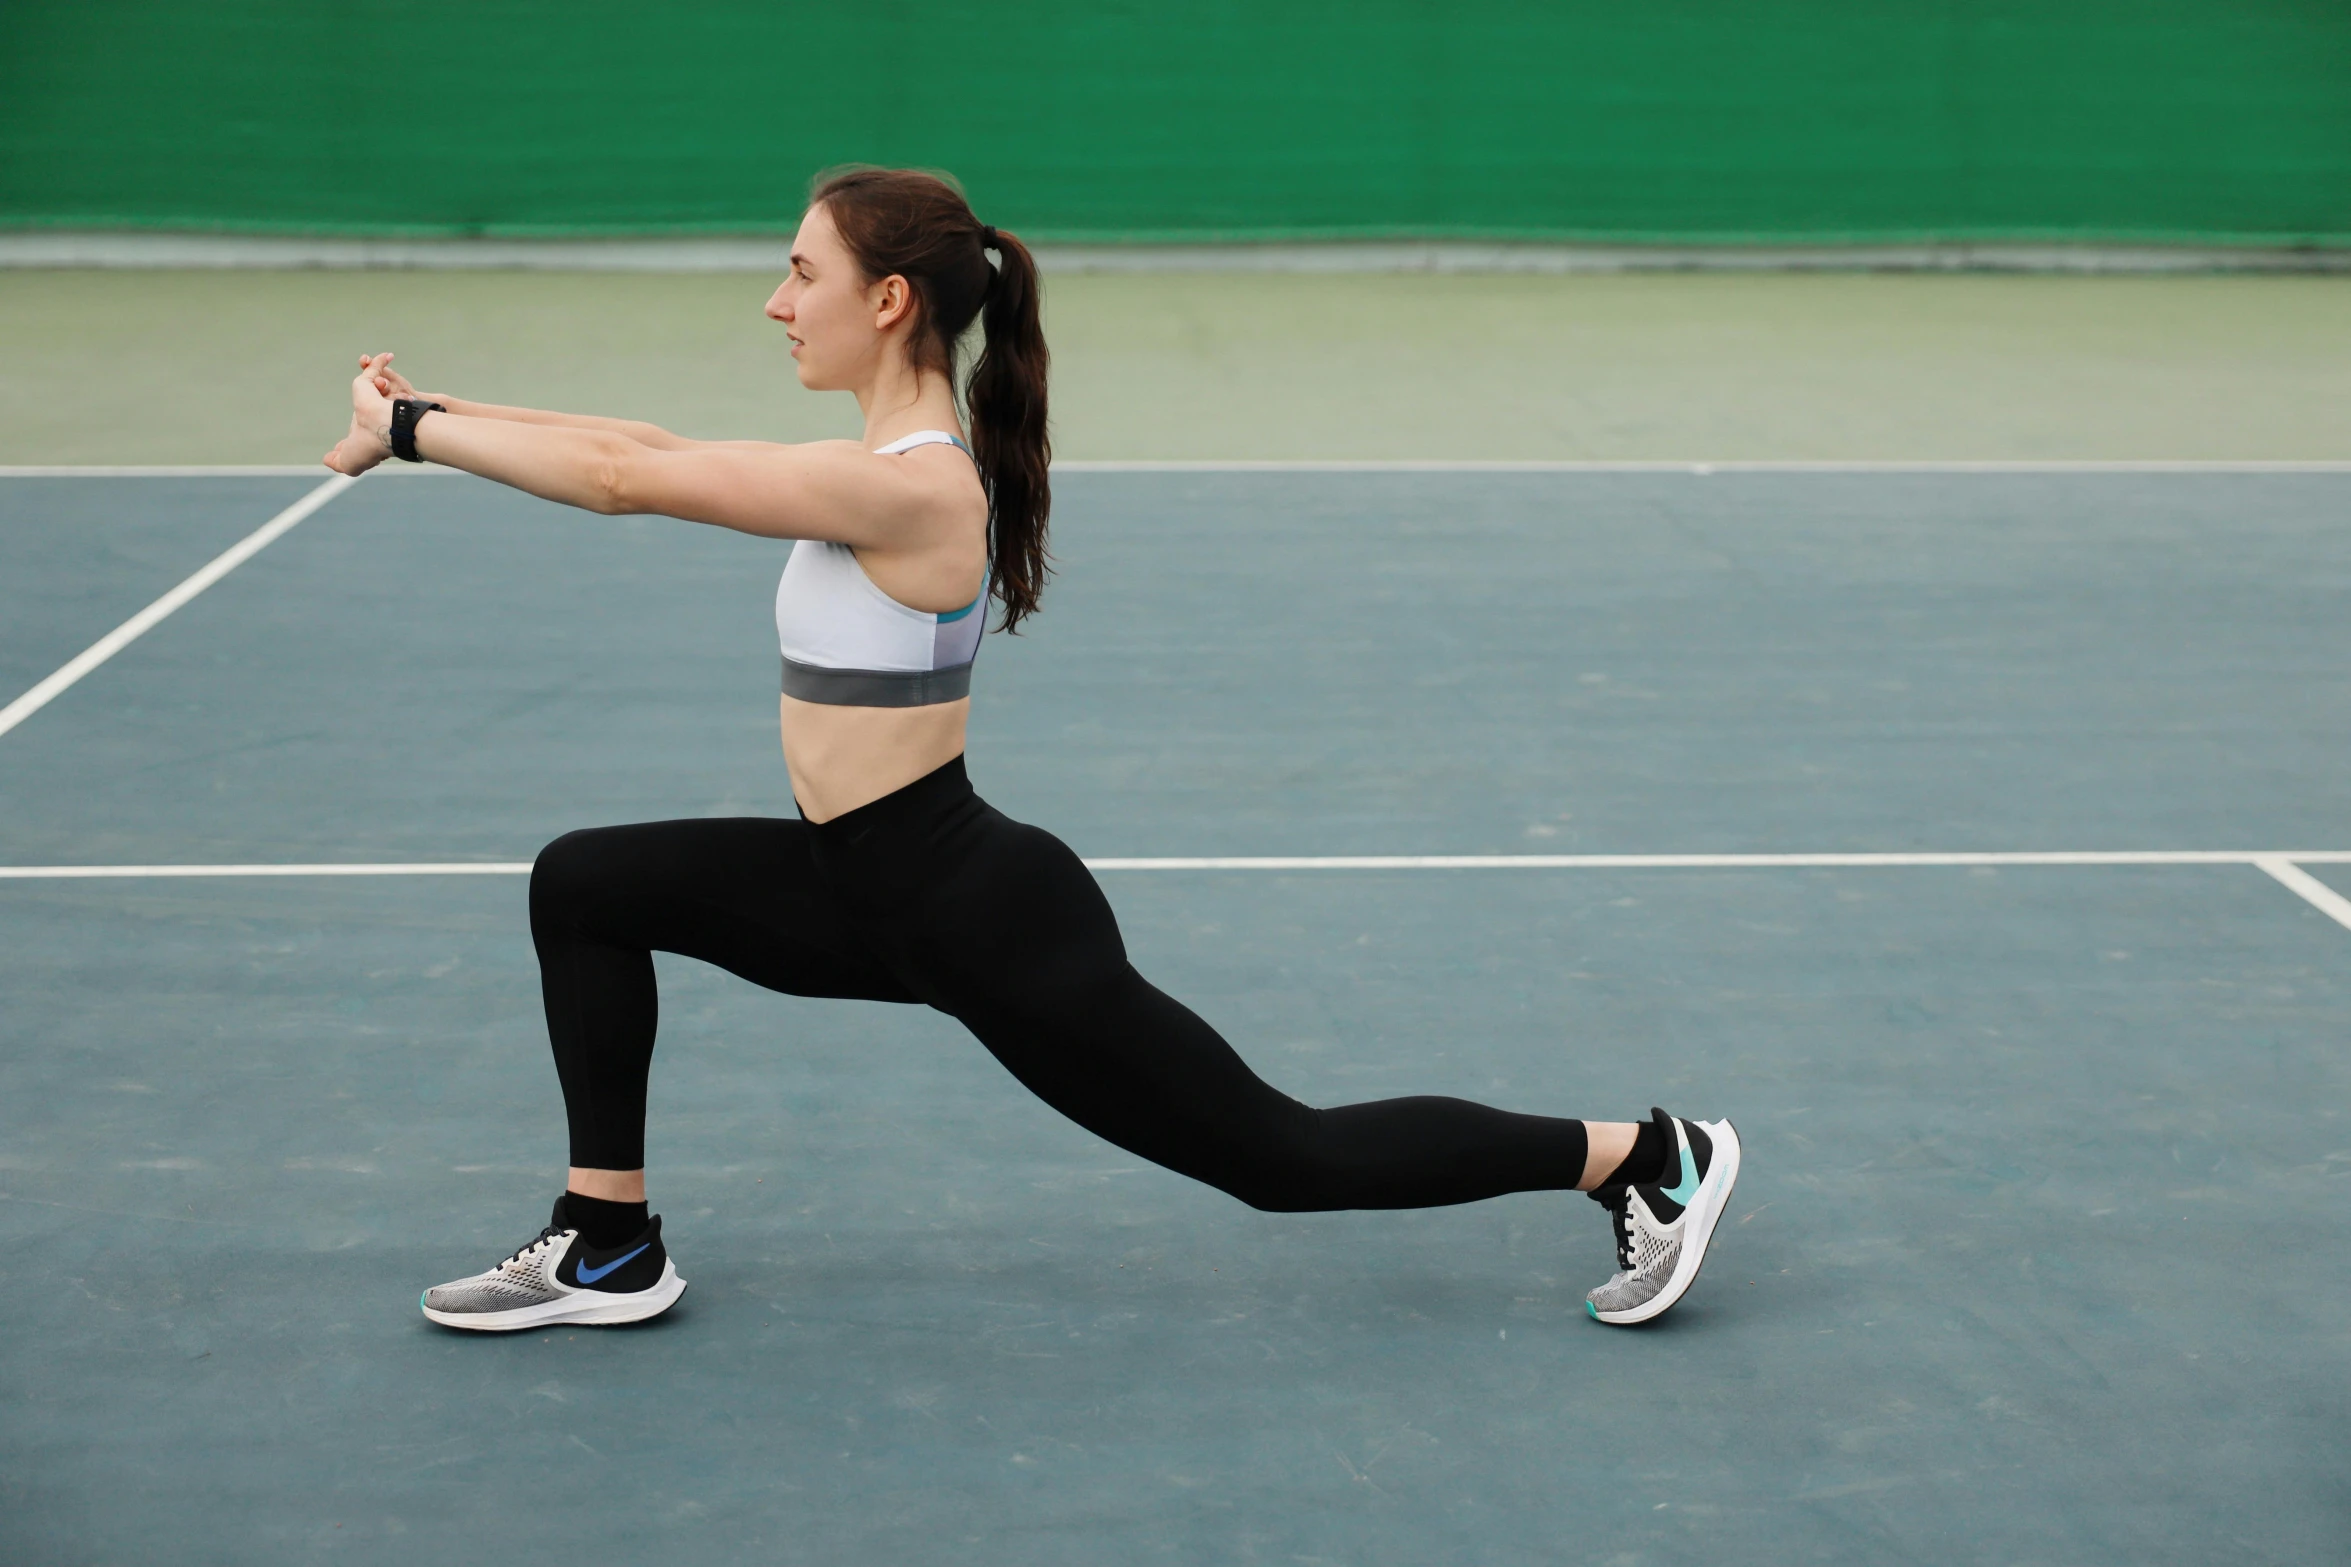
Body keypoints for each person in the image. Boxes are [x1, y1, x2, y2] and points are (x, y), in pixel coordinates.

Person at [324, 166, 1740, 1333]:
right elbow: (635, 437)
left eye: (799, 275)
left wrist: (409, 429)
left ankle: (1638, 1154)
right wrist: (440, 408)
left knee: (1280, 1157)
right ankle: (606, 1238)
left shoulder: (917, 486)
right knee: (585, 883)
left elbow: (628, 481)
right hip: (860, 885)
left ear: (887, 301)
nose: (775, 301)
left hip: (971, 911)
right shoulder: (873, 465)